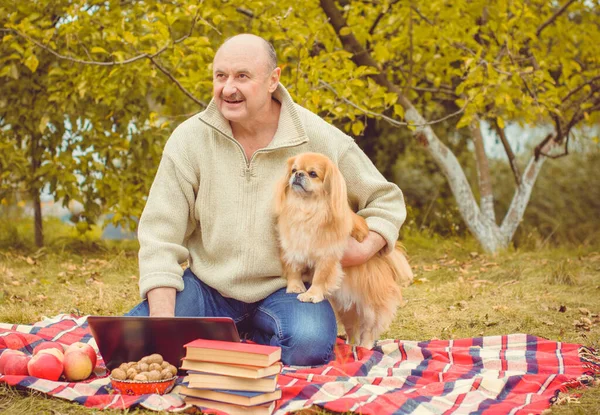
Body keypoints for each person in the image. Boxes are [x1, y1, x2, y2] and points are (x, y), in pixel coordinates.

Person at [127, 34, 406, 366]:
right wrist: (162, 323)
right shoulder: (189, 140)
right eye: (220, 76)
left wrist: (362, 249)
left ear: (273, 80)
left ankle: (229, 339)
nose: (228, 88)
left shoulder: (314, 135)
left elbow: (385, 198)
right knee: (134, 343)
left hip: (286, 290)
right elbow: (160, 235)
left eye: (242, 76)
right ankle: (237, 338)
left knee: (309, 346)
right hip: (208, 287)